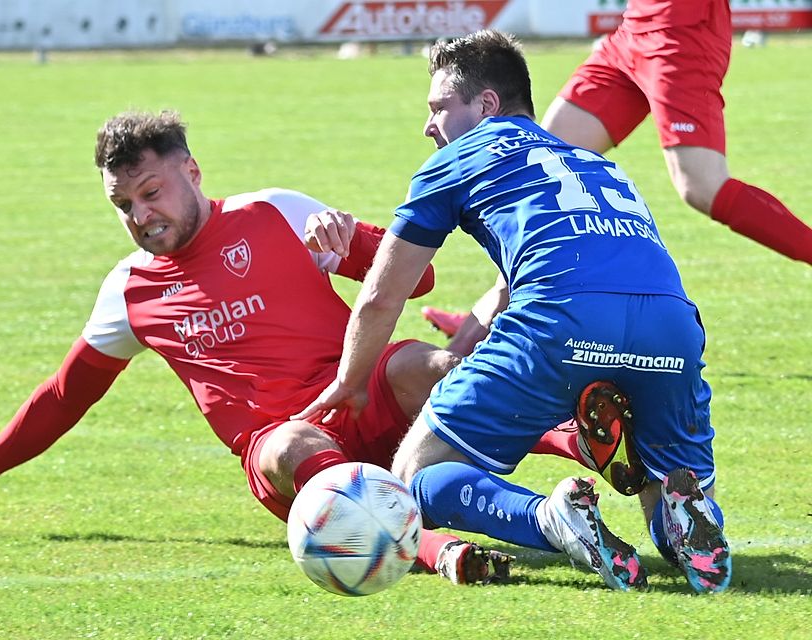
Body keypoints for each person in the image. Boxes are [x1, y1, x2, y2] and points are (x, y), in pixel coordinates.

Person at [0, 110, 513, 586]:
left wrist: (354, 239)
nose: (141, 214)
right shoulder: (128, 292)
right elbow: (62, 397)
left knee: (428, 366)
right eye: (123, 205)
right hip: (288, 451)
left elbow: (419, 279)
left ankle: (581, 437)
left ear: (192, 172)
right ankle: (439, 550)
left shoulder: (275, 212)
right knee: (293, 442)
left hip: (360, 393)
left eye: (151, 192)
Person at [295, 30, 732, 593]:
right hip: (672, 325)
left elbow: (384, 294)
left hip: (562, 319)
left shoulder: (457, 159)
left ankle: (549, 518)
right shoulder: (593, 163)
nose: (430, 126)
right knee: (667, 481)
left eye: (438, 108)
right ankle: (685, 519)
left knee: (415, 475)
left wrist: (352, 383)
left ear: (487, 104)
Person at [423, 0, 812, 352]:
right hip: (634, 30)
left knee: (701, 185)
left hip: (681, 31)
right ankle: (489, 319)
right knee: (540, 168)